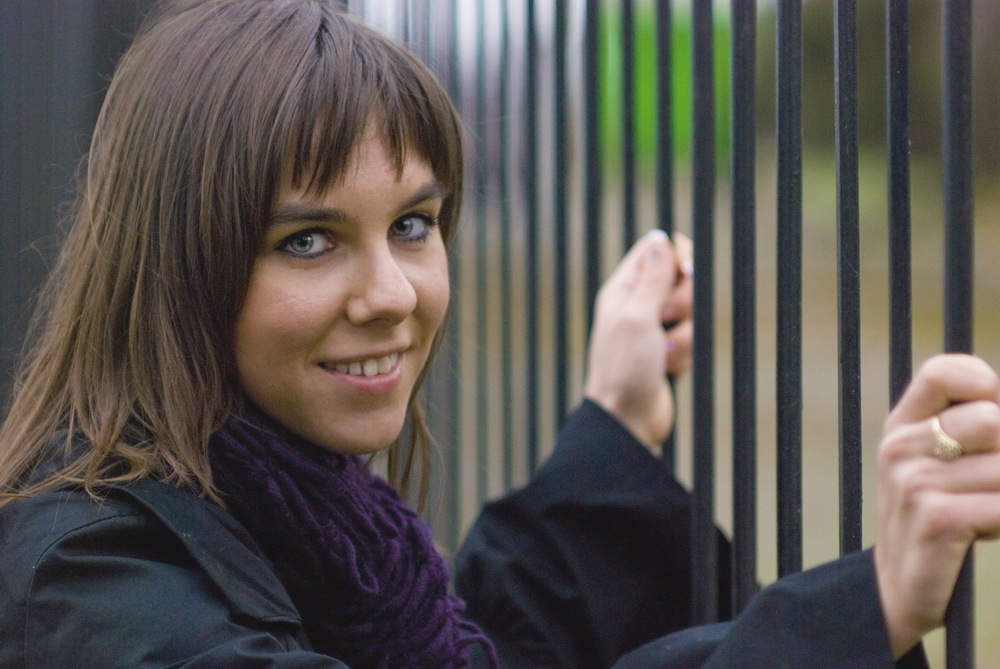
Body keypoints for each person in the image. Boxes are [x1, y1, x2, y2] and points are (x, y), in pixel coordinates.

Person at [0, 2, 996, 668]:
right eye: (307, 240)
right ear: (175, 267)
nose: (391, 293)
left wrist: (615, 422)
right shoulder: (92, 581)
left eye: (413, 224)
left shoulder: (303, 512)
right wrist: (859, 609)